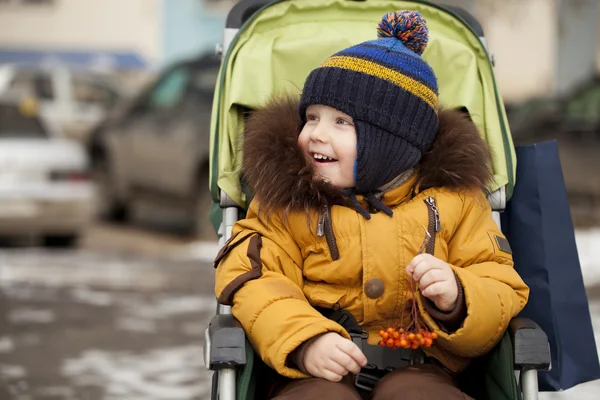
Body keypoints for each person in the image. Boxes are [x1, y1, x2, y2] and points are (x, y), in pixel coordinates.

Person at [214, 10, 529, 400]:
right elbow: (255, 277)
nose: (316, 135)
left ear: (392, 143)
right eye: (311, 118)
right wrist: (304, 339)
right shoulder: (287, 200)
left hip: (423, 365)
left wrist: (459, 296)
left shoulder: (457, 203)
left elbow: (500, 282)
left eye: (340, 123)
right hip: (314, 369)